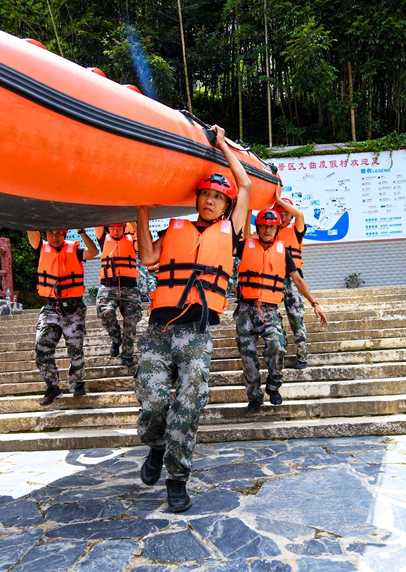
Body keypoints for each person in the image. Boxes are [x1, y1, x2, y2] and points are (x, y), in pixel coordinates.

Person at [135, 125, 250, 513]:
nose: (211, 201)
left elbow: (246, 187)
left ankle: (176, 477)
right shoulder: (174, 229)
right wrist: (141, 207)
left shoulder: (230, 231)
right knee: (151, 404)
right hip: (159, 330)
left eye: (219, 198)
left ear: (225, 205)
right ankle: (155, 446)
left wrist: (220, 144)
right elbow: (149, 259)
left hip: (196, 334)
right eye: (207, 195)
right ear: (198, 198)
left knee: (189, 403)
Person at [235, 209, 328, 412]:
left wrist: (315, 303)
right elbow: (228, 234)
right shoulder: (243, 247)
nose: (267, 230)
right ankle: (255, 396)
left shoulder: (282, 252)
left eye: (271, 226)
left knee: (277, 347)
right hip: (245, 311)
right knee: (248, 357)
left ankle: (273, 385)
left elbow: (297, 280)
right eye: (263, 226)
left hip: (269, 311)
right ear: (257, 227)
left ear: (276, 229)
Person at [27, 228, 99, 405]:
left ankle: (77, 382)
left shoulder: (75, 250)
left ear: (65, 235)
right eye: (51, 233)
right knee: (41, 347)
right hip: (51, 308)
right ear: (46, 235)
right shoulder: (41, 248)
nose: (55, 237)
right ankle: (52, 387)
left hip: (74, 308)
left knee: (75, 349)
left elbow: (94, 252)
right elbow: (31, 228)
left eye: (59, 233)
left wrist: (81, 231)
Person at [95, 223, 143, 367]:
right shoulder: (103, 238)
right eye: (112, 228)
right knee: (106, 313)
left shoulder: (133, 239)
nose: (115, 231)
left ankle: (127, 355)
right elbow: (98, 218)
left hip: (129, 287)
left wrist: (133, 220)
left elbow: (142, 243)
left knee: (131, 320)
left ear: (124, 228)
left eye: (119, 228)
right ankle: (116, 339)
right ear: (107, 228)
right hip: (108, 286)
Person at [272, 196, 311, 368]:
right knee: (274, 318)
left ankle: (302, 355)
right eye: (280, 213)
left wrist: (279, 201)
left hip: (293, 279)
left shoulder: (296, 228)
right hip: (274, 278)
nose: (284, 217)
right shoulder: (270, 230)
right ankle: (280, 352)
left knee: (296, 317)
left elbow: (300, 215)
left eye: (287, 214)